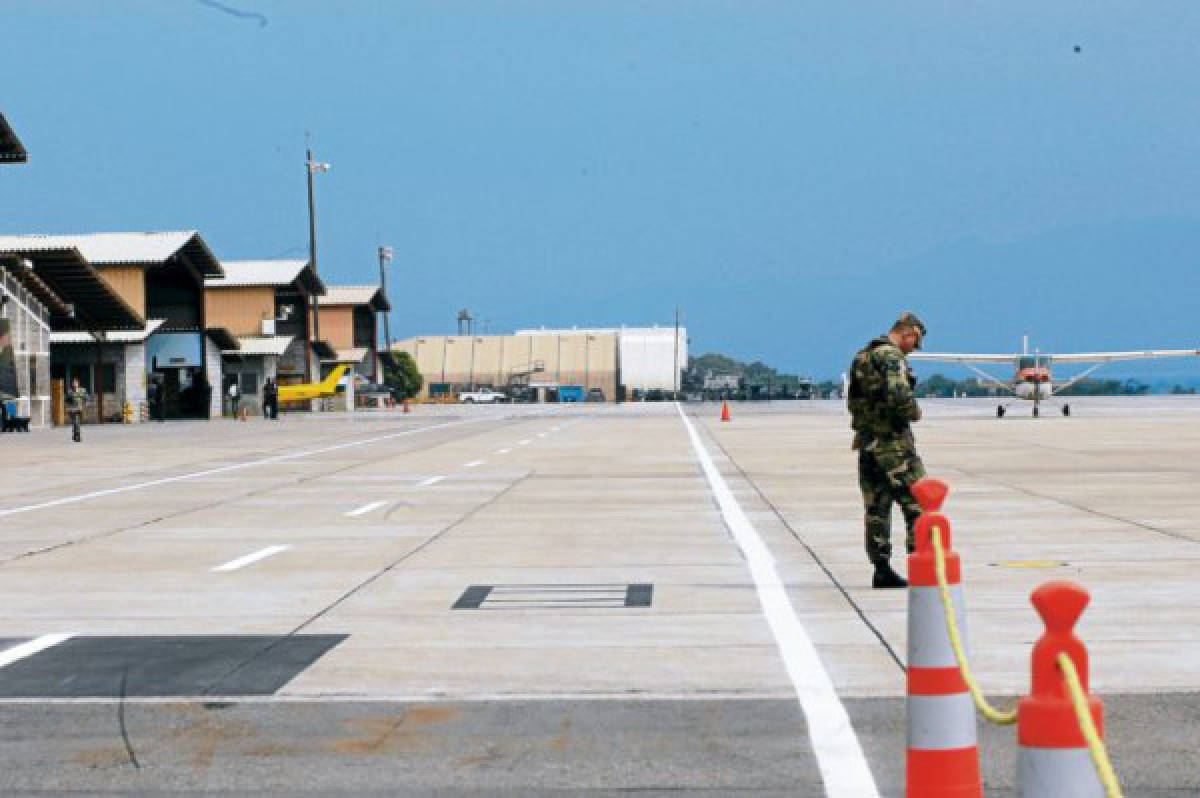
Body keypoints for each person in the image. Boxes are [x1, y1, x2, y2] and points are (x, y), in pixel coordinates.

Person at [847, 311, 927, 589]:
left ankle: (881, 568)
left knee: (876, 508)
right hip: (892, 443)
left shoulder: (862, 356)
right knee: (918, 502)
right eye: (913, 343)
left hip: (867, 442)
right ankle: (921, 564)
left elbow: (853, 400)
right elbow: (899, 394)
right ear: (908, 334)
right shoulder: (892, 357)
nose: (912, 350)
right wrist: (914, 412)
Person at [65, 376, 88, 443]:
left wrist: (85, 405)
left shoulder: (82, 390)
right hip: (72, 410)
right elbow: (67, 401)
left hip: (80, 409)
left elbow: (86, 398)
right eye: (73, 383)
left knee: (77, 423)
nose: (74, 384)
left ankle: (75, 435)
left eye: (76, 383)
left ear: (78, 384)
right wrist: (67, 408)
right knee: (76, 422)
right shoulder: (70, 392)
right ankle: (78, 436)